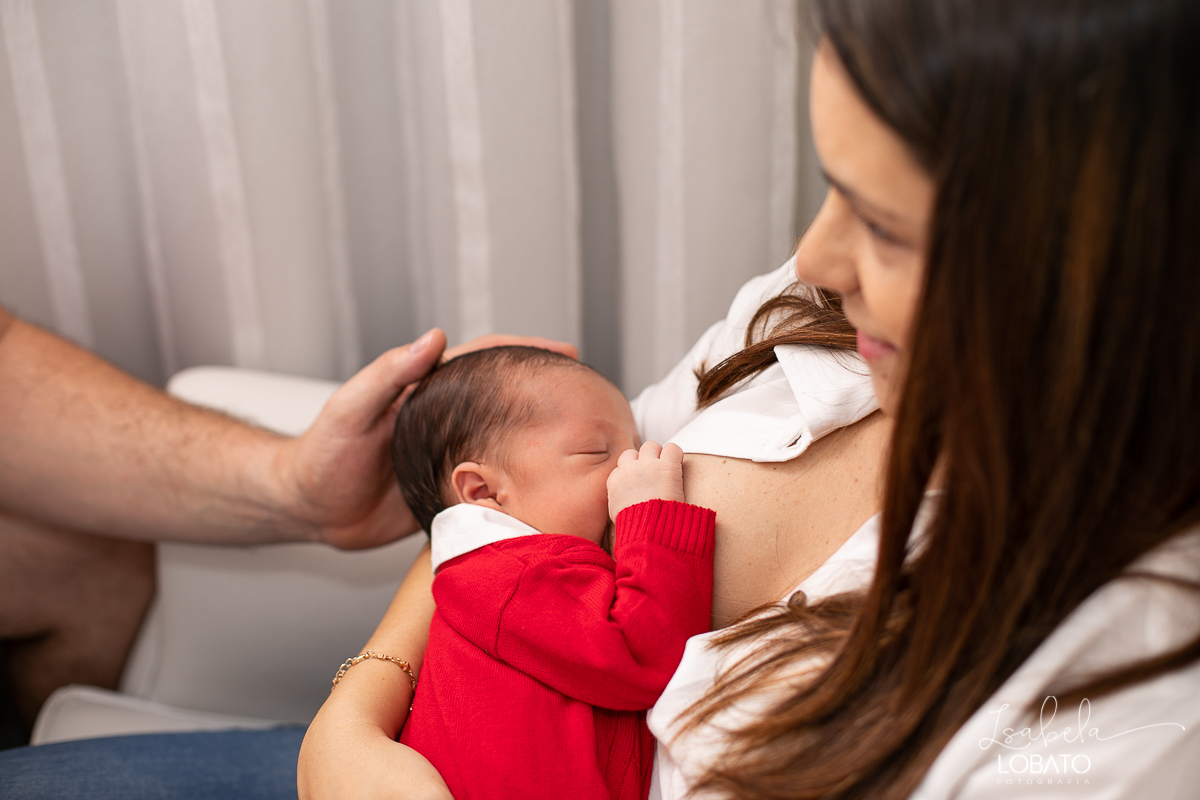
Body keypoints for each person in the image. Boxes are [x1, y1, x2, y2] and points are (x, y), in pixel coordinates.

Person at [300, 0, 1200, 798]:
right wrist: (349, 726)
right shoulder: (823, 321)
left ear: (1109, 275)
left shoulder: (1123, 707)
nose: (812, 260)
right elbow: (506, 510)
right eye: (834, 186)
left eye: (886, 224)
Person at [390, 346, 716, 800]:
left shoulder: (506, 573)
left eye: (634, 443)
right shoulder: (510, 575)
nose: (631, 465)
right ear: (483, 491)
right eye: (595, 451)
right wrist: (652, 514)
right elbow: (640, 655)